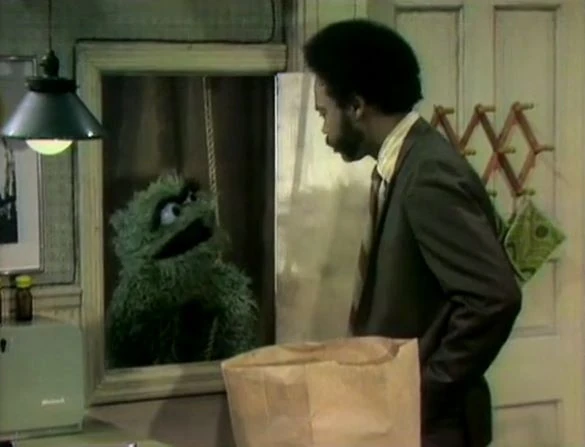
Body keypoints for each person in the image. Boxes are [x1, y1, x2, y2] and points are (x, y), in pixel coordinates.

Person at [303, 19, 522, 447]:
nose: (324, 129)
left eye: (324, 113)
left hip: (434, 427)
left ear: (356, 106)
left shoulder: (427, 174)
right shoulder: (404, 165)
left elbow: (494, 298)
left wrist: (426, 390)